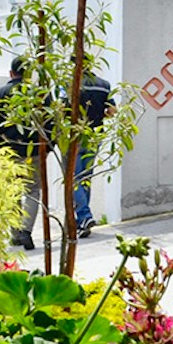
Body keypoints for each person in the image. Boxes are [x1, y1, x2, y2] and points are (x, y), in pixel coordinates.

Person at [0, 57, 42, 250]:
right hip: (32, 150)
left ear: (11, 73)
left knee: (12, 191)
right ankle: (26, 231)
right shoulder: (37, 95)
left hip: (7, 152)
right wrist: (46, 148)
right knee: (33, 190)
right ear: (28, 74)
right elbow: (49, 122)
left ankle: (16, 233)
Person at [72, 71, 115, 237]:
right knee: (85, 178)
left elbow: (61, 109)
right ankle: (83, 223)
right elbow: (112, 111)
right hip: (94, 137)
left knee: (75, 179)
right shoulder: (103, 85)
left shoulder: (70, 83)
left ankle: (84, 216)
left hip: (74, 136)